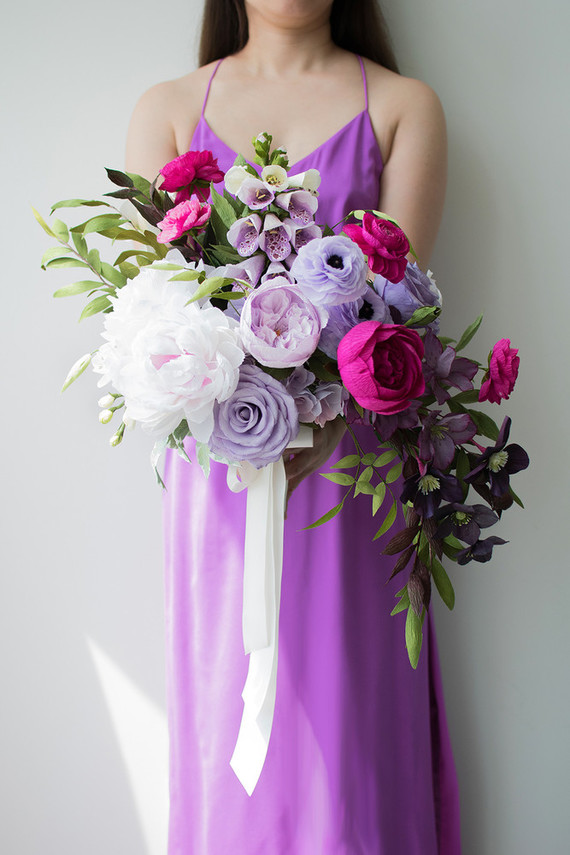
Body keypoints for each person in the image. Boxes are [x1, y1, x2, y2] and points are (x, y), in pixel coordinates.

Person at [127, 1, 461, 852]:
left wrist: (315, 417)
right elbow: (154, 315)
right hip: (225, 477)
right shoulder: (166, 108)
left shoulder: (402, 106)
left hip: (349, 485)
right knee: (228, 738)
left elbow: (394, 316)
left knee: (352, 754)